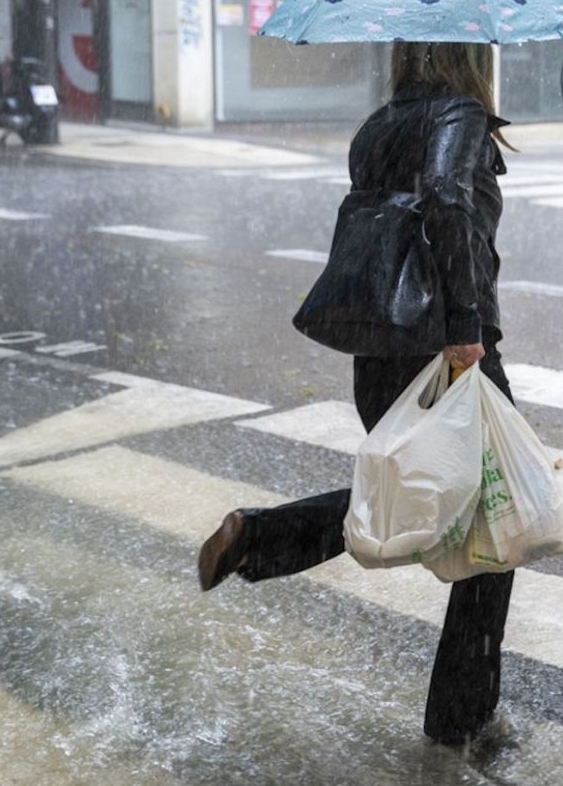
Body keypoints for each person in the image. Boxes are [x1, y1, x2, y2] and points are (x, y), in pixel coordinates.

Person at [196, 40, 514, 748]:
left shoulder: (380, 124)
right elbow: (444, 196)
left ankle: (259, 539)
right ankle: (461, 719)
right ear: (471, 54)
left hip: (382, 350)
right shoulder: (458, 114)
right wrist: (466, 327)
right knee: (495, 514)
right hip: (445, 346)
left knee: (431, 497)